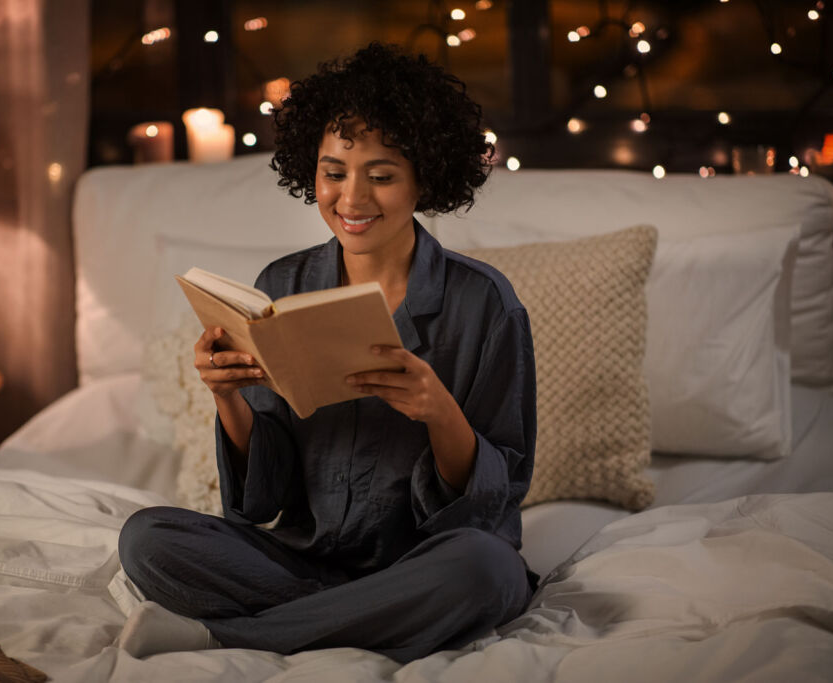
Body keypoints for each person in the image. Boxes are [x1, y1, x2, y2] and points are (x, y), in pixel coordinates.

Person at [118, 42, 537, 664]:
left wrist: (440, 411)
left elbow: (498, 495)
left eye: (382, 175)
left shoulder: (486, 303)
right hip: (302, 556)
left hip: (428, 559)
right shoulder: (282, 285)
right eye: (334, 172)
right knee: (146, 538)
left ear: (426, 177)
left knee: (487, 570)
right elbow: (263, 500)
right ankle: (360, 613)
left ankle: (231, 635)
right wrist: (226, 397)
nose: (352, 199)